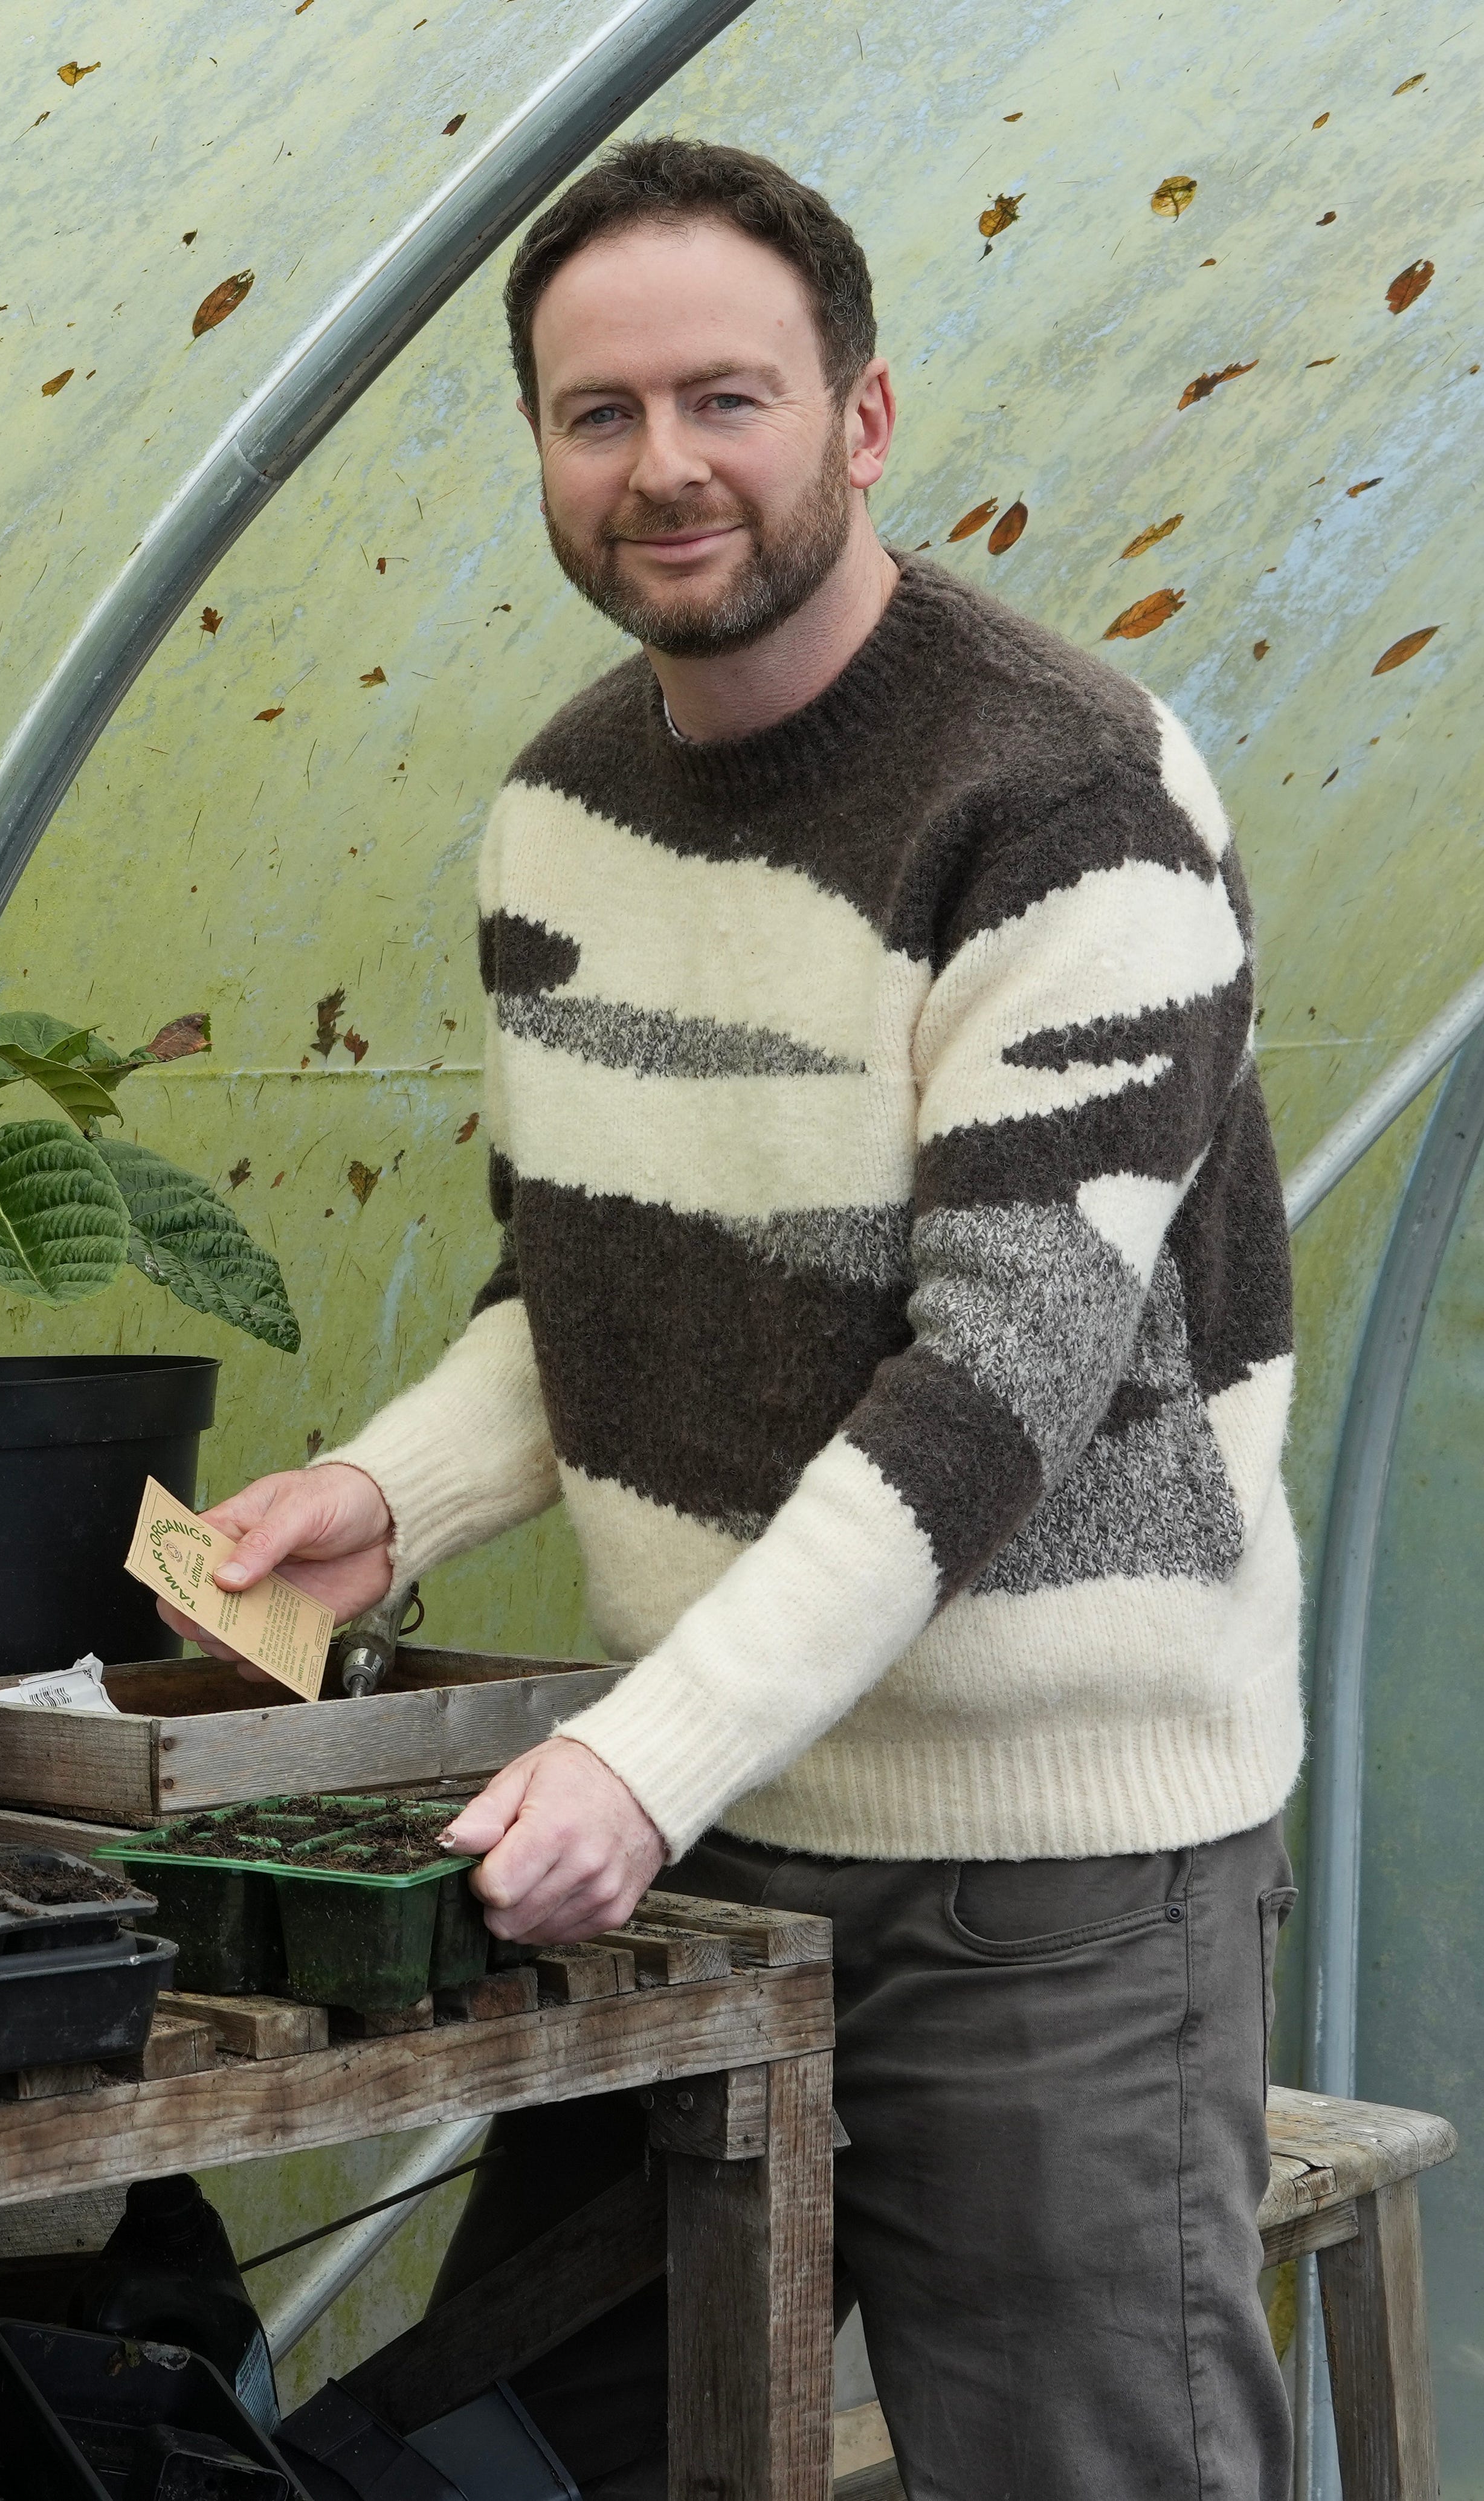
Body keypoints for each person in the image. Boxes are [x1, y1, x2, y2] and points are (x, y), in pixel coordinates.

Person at [162, 138, 1301, 2498]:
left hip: (1041, 1877)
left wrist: (640, 1756)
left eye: (727, 398)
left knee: (1079, 2466)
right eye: (599, 415)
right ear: (545, 455)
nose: (665, 465)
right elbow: (586, 1278)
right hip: (699, 1823)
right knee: (537, 2453)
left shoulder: (1065, 803)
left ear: (861, 421)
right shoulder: (563, 813)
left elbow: (999, 1387)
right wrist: (391, 1494)